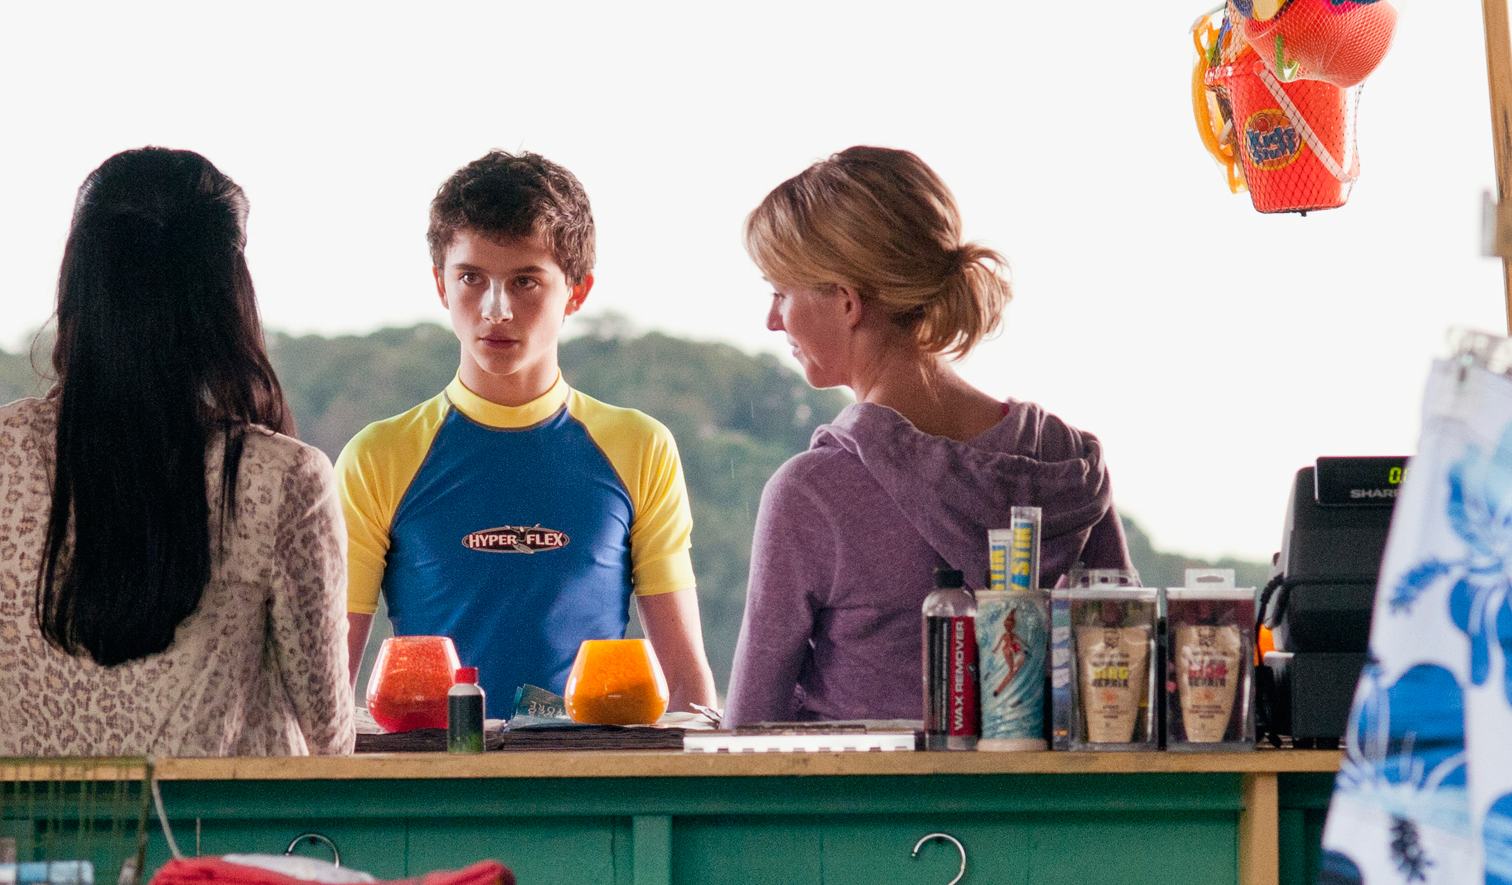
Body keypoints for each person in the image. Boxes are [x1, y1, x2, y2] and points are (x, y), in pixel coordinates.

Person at [0, 148, 354, 756]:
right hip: (216, 821)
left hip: (12, 821)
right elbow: (329, 733)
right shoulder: (284, 478)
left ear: (78, 286)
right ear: (227, 300)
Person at [724, 147, 1130, 727]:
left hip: (865, 788)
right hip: (1044, 788)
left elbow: (747, 730)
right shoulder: (1065, 462)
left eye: (780, 293)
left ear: (847, 301)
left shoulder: (811, 492)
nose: (771, 320)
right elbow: (1120, 683)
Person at [334, 150, 717, 719]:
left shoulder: (640, 447)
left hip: (591, 771)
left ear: (577, 293)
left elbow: (687, 682)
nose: (496, 309)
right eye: (471, 278)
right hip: (430, 771)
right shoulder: (378, 456)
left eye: (525, 282)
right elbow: (328, 682)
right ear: (441, 285)